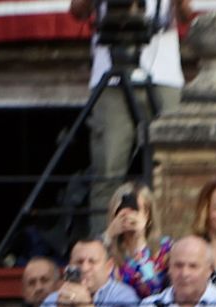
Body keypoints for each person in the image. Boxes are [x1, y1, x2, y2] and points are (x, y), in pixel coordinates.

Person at [70, 0, 193, 237]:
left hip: (163, 75)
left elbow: (186, 16)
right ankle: (103, 248)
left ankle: (169, 246)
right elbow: (77, 11)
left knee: (169, 168)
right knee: (107, 168)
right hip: (111, 74)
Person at [104, 182, 168, 298]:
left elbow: (153, 289)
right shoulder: (104, 250)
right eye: (123, 210)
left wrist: (139, 240)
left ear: (147, 215)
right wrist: (109, 235)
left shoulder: (164, 248)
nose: (129, 217)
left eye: (135, 209)